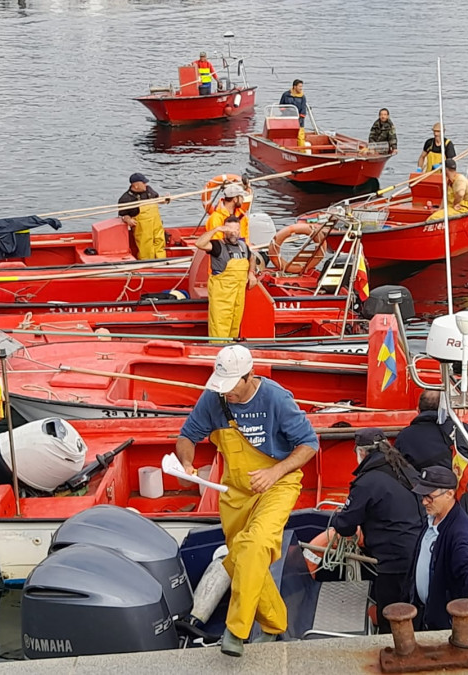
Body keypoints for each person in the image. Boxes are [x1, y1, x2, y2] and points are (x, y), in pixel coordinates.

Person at [175, 344, 319, 657]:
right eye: (222, 388)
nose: (227, 395)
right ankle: (274, 623)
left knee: (254, 546)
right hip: (235, 493)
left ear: (249, 376)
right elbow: (187, 436)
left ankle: (236, 630)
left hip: (277, 485)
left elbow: (309, 444)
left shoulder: (276, 398)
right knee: (242, 555)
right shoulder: (214, 398)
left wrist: (275, 471)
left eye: (232, 388)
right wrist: (186, 463)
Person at [329, 428, 425, 633]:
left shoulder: (366, 482)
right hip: (421, 549)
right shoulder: (406, 468)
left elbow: (346, 525)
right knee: (416, 607)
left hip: (394, 559)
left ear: (361, 452)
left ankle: (392, 647)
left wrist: (337, 519)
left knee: (390, 614)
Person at [395, 390, 468, 550]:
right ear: (446, 408)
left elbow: (398, 474)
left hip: (429, 511)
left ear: (418, 410)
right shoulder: (463, 429)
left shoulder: (404, 437)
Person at [408, 466, 468, 630]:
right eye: (423, 496)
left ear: (449, 494)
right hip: (423, 613)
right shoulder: (432, 518)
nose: (424, 502)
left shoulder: (460, 531)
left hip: (443, 623)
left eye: (430, 497)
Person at [194, 216, 258, 340]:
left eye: (236, 230)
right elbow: (199, 243)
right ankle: (217, 350)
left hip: (238, 296)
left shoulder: (243, 246)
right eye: (230, 230)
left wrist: (251, 273)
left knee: (235, 326)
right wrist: (216, 229)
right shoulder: (217, 246)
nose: (234, 233)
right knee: (219, 327)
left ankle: (231, 349)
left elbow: (252, 258)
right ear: (224, 230)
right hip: (221, 297)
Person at [117, 172, 167, 260]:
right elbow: (123, 215)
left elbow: (158, 199)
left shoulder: (149, 190)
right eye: (143, 183)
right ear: (135, 185)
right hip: (142, 228)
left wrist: (165, 199)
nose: (145, 185)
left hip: (156, 224)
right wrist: (128, 220)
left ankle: (162, 260)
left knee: (160, 241)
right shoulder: (126, 199)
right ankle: (147, 264)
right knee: (145, 246)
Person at [280, 79, 308, 146]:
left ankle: (302, 150)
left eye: (301, 87)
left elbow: (303, 109)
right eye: (299, 86)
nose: (301, 88)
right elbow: (281, 105)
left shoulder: (303, 97)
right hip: (287, 117)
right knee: (285, 133)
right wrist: (285, 112)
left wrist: (301, 118)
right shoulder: (286, 95)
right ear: (295, 87)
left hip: (298, 118)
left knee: (300, 135)